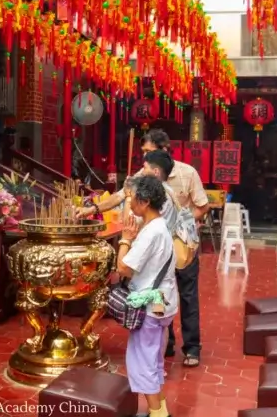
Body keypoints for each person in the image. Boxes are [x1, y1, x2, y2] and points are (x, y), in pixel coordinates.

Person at [76, 129, 208, 367]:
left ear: (163, 151)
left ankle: (192, 348)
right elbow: (120, 195)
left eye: (148, 152)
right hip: (157, 250)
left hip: (180, 248)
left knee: (187, 297)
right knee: (159, 294)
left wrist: (181, 226)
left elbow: (202, 206)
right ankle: (164, 348)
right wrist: (92, 209)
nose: (143, 159)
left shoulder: (187, 173)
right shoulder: (145, 174)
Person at [114, 175, 177, 417]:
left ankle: (157, 414)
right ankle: (160, 409)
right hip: (164, 302)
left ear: (145, 201)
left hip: (150, 307)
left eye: (132, 200)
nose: (129, 205)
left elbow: (124, 268)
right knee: (154, 359)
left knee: (143, 363)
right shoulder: (160, 226)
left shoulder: (151, 232)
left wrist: (125, 239)